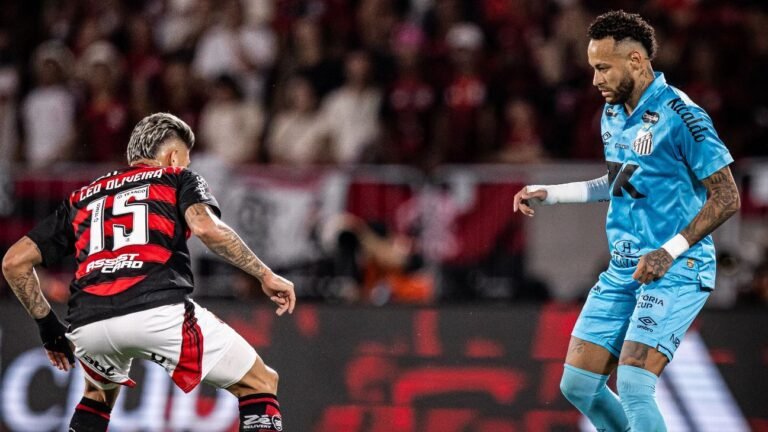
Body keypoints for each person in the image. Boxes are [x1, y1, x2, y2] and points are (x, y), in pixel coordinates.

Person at [513, 11, 740, 431]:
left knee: (634, 385)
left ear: (635, 60)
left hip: (676, 269)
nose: (595, 79)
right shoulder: (613, 113)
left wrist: (668, 252)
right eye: (593, 68)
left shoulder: (682, 116)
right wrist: (553, 194)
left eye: (603, 68)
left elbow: (727, 197)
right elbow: (620, 183)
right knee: (579, 386)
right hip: (624, 269)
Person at [1, 113, 295, 432]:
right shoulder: (177, 178)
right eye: (185, 158)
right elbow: (207, 229)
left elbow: (14, 262)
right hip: (157, 309)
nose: (186, 164)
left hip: (89, 322)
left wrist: (48, 327)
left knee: (97, 398)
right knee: (260, 382)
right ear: (173, 156)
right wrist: (264, 274)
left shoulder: (82, 197)